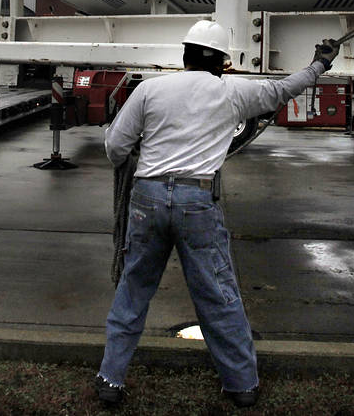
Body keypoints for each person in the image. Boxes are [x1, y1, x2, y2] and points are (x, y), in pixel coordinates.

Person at [95, 21, 340, 409]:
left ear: (185, 55)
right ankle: (241, 385)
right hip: (197, 200)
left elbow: (115, 147)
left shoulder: (150, 89)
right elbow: (281, 90)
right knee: (217, 294)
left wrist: (138, 162)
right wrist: (318, 66)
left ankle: (110, 380)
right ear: (223, 62)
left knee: (134, 287)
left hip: (147, 198)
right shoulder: (234, 93)